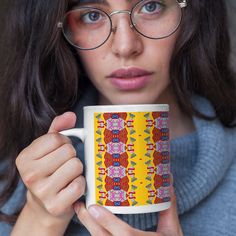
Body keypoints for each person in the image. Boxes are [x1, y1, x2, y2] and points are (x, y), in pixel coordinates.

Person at [0, 0, 235, 235]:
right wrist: (40, 220)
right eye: (92, 15)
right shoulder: (17, 173)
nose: (125, 46)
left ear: (192, 13)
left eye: (151, 6)